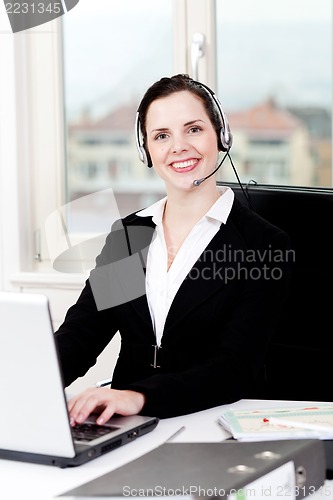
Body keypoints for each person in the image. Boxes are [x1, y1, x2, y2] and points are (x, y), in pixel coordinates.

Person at [55, 74, 292, 425]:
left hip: (214, 423)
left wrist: (140, 397)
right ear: (146, 150)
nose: (178, 146)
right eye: (162, 136)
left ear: (221, 137)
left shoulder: (262, 245)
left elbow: (234, 367)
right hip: (125, 423)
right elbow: (84, 333)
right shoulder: (131, 236)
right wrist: (28, 382)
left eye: (193, 129)